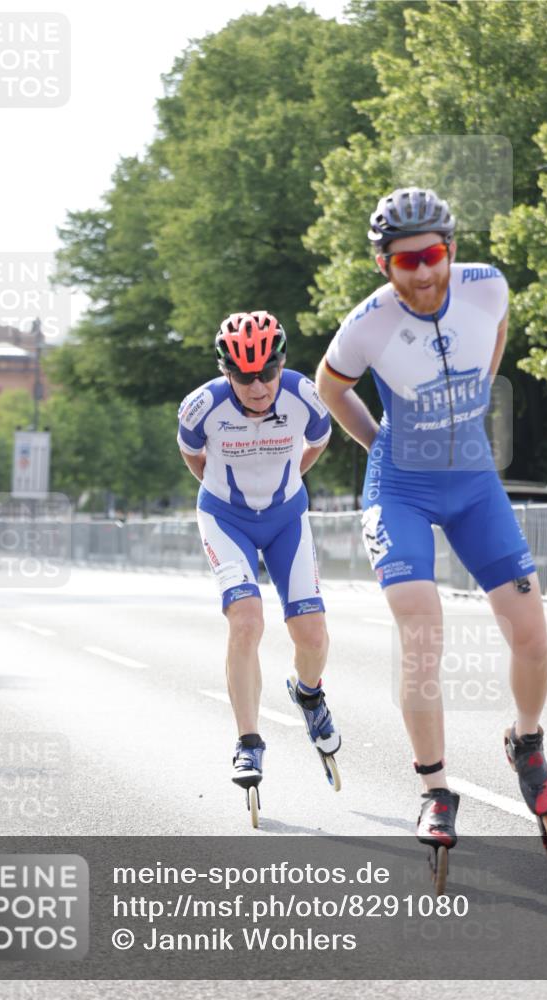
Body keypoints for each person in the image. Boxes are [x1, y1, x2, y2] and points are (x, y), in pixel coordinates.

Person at [316, 187, 547, 851]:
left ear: (449, 249)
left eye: (432, 255)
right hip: (400, 489)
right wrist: (375, 444)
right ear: (382, 266)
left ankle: (525, 738)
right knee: (421, 633)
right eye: (404, 261)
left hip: (473, 480)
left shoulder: (487, 288)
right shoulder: (366, 324)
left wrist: (471, 405)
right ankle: (433, 790)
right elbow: (329, 385)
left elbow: (496, 334)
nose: (422, 272)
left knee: (532, 635)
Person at [177, 310, 341, 807]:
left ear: (281, 364)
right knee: (246, 622)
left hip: (287, 517)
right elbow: (193, 458)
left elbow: (319, 442)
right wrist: (228, 492)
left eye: (267, 372)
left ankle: (309, 694)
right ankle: (249, 742)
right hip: (226, 519)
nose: (257, 386)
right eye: (245, 376)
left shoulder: (304, 395)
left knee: (310, 633)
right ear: (227, 372)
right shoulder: (200, 406)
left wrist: (287, 477)